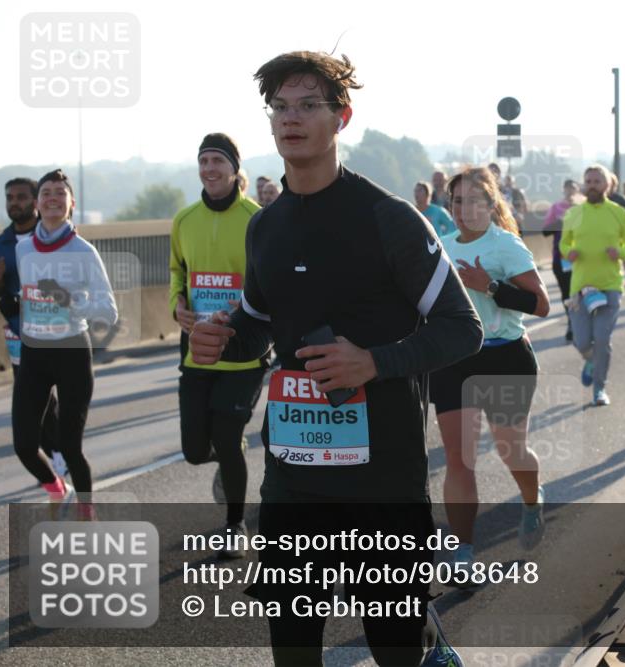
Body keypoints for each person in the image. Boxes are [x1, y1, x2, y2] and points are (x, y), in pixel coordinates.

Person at [188, 49, 479, 666]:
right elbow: (260, 326)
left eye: (308, 106)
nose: (291, 119)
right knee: (294, 652)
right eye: (280, 108)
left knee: (395, 650)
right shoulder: (265, 227)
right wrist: (222, 336)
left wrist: (373, 362)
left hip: (382, 482)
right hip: (293, 481)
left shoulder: (389, 218)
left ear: (341, 118)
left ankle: (428, 643)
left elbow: (462, 328)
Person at [431, 167, 549, 584]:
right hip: (455, 361)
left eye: (474, 201)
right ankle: (462, 554)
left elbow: (541, 306)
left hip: (504, 357)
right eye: (457, 202)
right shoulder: (441, 248)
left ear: (491, 204)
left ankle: (532, 501)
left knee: (511, 451)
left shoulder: (506, 246)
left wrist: (490, 286)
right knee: (459, 459)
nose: (465, 210)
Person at [169, 132, 266, 559]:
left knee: (226, 438)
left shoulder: (257, 218)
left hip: (242, 349)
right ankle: (231, 455)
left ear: (234, 169)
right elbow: (178, 271)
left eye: (218, 161)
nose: (210, 168)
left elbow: (269, 282)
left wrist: (241, 311)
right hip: (196, 349)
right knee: (193, 450)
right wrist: (177, 305)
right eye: (204, 160)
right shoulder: (184, 219)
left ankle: (234, 524)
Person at [13, 169, 118, 519]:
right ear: (37, 204)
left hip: (72, 350)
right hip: (34, 353)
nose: (53, 198)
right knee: (25, 445)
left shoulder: (83, 251)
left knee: (71, 446)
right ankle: (58, 490)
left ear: (71, 204)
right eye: (46, 193)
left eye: (61, 193)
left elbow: (109, 312)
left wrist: (68, 300)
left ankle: (87, 512)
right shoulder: (22, 247)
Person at [0, 178, 63, 476]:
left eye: (21, 197)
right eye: (10, 198)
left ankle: (62, 452)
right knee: (32, 399)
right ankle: (55, 456)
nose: (14, 203)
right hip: (18, 334)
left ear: (35, 202)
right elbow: (0, 294)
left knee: (47, 398)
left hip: (54, 331)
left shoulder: (50, 236)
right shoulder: (0, 244)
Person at [560, 165, 625, 406]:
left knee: (602, 338)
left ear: (607, 185)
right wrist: (569, 252)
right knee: (581, 341)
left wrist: (620, 252)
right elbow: (563, 244)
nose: (592, 185)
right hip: (581, 287)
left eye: (597, 181)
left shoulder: (619, 213)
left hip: (610, 285)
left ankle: (599, 389)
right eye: (588, 181)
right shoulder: (574, 214)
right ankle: (591, 360)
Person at [542, 179, 584, 341]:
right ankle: (571, 323)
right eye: (567, 189)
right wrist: (561, 222)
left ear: (578, 190)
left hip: (583, 257)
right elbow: (545, 231)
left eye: (573, 189)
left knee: (582, 292)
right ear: (563, 191)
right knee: (566, 293)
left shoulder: (584, 207)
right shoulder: (556, 208)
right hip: (561, 258)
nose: (570, 192)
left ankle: (582, 323)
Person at [606, 174, 625, 288]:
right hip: (605, 232)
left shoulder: (620, 199)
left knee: (623, 256)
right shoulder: (599, 199)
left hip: (618, 232)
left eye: (612, 184)